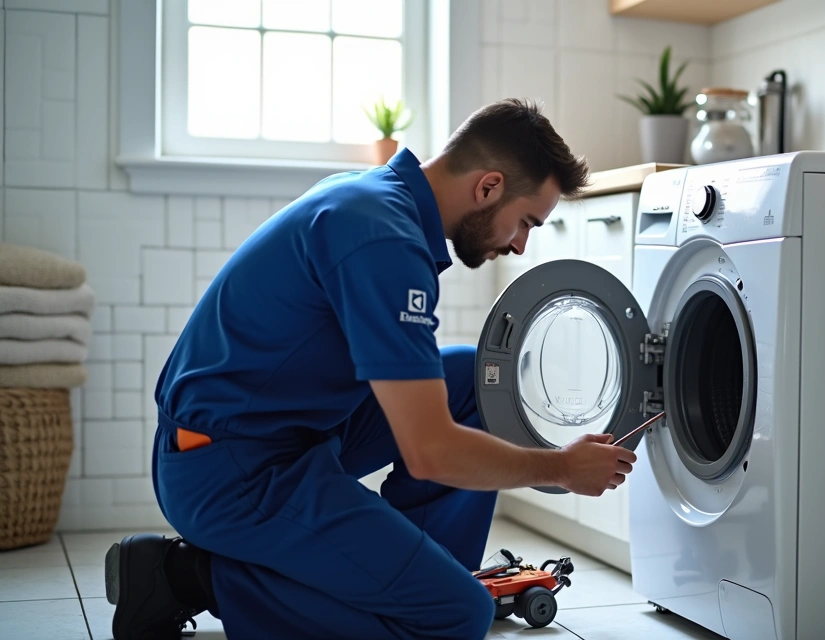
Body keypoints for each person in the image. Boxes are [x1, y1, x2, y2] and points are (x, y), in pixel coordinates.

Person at [104, 99, 638, 640]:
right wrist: (561, 468)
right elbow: (429, 450)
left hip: (282, 438)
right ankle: (192, 577)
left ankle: (414, 576)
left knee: (476, 382)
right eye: (526, 222)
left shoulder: (378, 200)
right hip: (228, 471)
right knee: (457, 616)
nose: (521, 244)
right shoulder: (383, 238)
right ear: (488, 186)